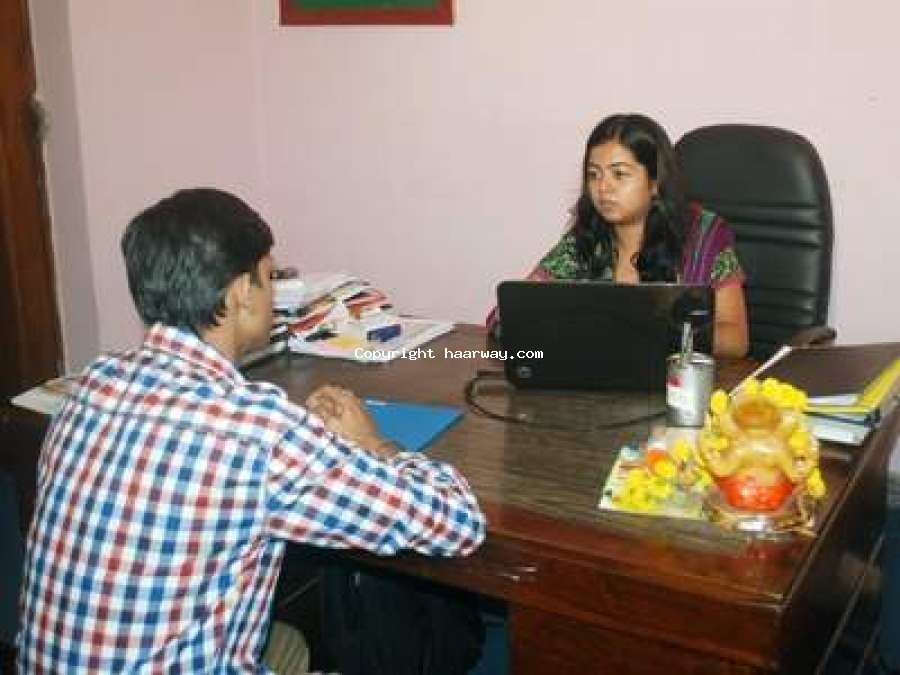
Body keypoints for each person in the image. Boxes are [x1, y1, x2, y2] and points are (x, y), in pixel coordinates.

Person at [17, 188, 486, 673]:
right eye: (270, 277)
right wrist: (372, 442)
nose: (273, 292)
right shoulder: (254, 431)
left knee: (286, 641)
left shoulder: (94, 384)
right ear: (242, 291)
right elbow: (457, 522)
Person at [489, 113, 749, 358]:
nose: (603, 188)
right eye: (594, 175)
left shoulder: (702, 237)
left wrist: (645, 331)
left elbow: (735, 340)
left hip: (678, 381)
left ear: (655, 182)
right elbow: (508, 314)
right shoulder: (586, 238)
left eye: (619, 174)